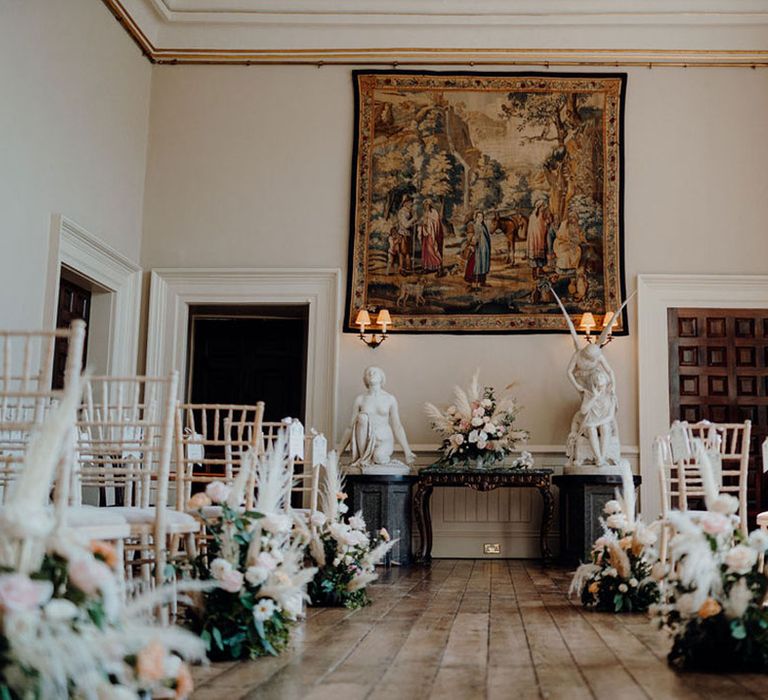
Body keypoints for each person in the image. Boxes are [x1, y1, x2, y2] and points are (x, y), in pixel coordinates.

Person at [337, 366, 416, 474]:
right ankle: (364, 458)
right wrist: (338, 454)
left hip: (384, 440)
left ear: (381, 377)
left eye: (375, 372)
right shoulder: (360, 399)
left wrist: (407, 451)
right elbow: (350, 427)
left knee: (379, 458)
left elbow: (397, 426)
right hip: (364, 443)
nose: (371, 373)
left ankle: (378, 460)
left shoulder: (389, 399)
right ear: (365, 379)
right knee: (362, 417)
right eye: (368, 373)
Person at [527, 199, 550, 276]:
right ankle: (534, 272)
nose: (544, 208)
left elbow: (544, 227)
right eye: (542, 206)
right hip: (534, 239)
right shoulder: (533, 217)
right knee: (534, 255)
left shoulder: (543, 216)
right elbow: (532, 229)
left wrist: (546, 223)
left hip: (541, 238)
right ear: (539, 207)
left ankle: (540, 269)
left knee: (542, 254)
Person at [420, 199, 444, 273]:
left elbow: (436, 222)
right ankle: (427, 267)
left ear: (430, 205)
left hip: (432, 234)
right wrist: (423, 224)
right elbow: (423, 221)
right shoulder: (425, 213)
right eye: (425, 205)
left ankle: (439, 266)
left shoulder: (434, 212)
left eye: (427, 205)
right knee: (426, 251)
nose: (426, 206)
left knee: (432, 250)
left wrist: (429, 222)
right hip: (426, 234)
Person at [396, 197, 416, 269]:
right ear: (405, 203)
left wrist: (414, 223)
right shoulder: (402, 212)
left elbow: (410, 225)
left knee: (407, 252)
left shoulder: (408, 212)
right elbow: (406, 225)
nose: (412, 204)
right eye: (410, 202)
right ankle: (402, 267)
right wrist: (413, 219)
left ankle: (408, 267)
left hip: (407, 234)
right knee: (403, 252)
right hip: (403, 234)